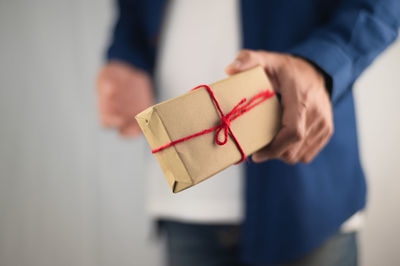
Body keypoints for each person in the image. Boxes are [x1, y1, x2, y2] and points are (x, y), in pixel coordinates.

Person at [96, 0, 400, 265]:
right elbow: (132, 11)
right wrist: (126, 56)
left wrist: (321, 63)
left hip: (307, 197)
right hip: (186, 201)